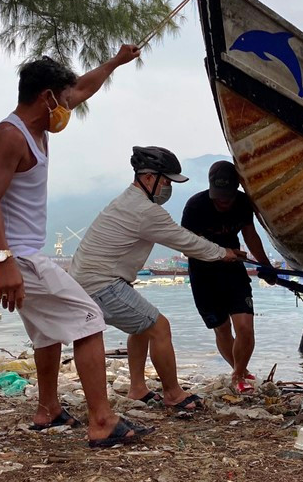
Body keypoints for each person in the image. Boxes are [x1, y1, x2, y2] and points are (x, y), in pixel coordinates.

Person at [0, 46, 153, 447]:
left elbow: (83, 88)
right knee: (89, 317)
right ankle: (102, 421)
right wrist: (4, 263)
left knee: (47, 332)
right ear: (45, 97)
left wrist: (116, 62)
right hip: (12, 255)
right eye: (62, 99)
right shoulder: (9, 136)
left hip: (20, 254)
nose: (68, 106)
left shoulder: (39, 126)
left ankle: (48, 410)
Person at [70, 147, 245, 410]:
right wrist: (224, 253)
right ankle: (173, 393)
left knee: (142, 325)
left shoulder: (127, 201)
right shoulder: (145, 211)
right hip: (101, 285)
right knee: (159, 327)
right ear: (148, 178)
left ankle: (138, 389)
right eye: (166, 181)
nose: (167, 187)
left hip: (92, 281)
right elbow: (185, 241)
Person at [181, 161, 271, 393]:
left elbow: (250, 235)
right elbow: (187, 246)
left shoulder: (242, 204)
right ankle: (239, 372)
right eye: (219, 196)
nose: (223, 201)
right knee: (222, 329)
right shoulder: (195, 206)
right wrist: (222, 253)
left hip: (234, 273)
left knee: (245, 327)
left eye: (228, 196)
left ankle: (238, 374)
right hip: (203, 276)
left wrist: (266, 266)